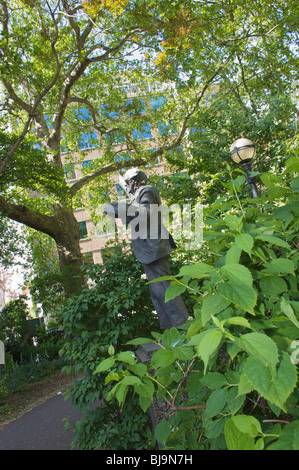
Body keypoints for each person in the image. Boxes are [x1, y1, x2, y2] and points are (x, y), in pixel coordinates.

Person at [104, 168, 189, 330]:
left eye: (128, 184)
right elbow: (133, 200)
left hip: (154, 247)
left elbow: (146, 211)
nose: (126, 187)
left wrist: (120, 209)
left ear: (134, 182)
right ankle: (170, 330)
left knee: (164, 288)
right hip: (149, 249)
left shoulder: (146, 191)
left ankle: (182, 327)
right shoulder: (138, 194)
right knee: (157, 290)